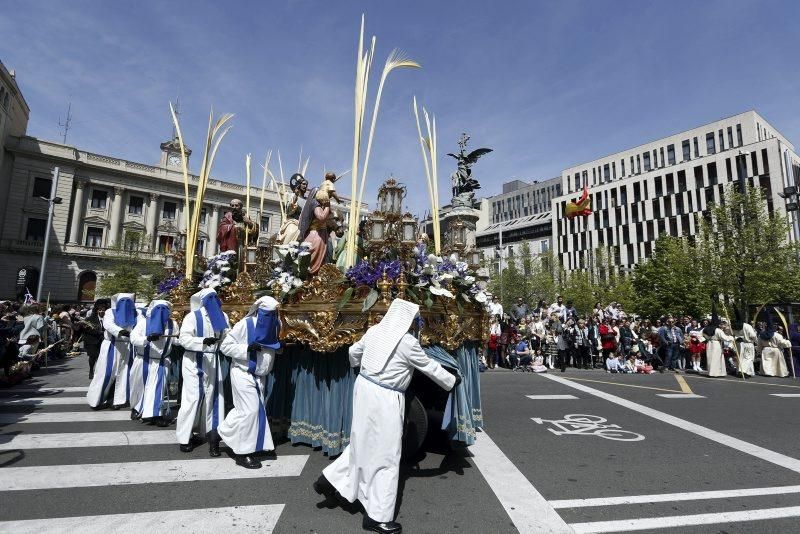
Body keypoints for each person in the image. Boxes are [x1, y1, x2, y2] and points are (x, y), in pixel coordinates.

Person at [314, 299, 457, 534]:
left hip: (364, 389)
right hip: (387, 397)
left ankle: (330, 480)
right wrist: (452, 381)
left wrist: (363, 365)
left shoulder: (374, 331)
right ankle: (377, 516)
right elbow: (429, 366)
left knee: (363, 442)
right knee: (387, 454)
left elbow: (353, 353)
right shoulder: (407, 342)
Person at [209, 296, 282, 469]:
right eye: (268, 313)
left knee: (244, 412)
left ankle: (217, 434)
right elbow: (225, 347)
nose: (271, 316)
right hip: (242, 373)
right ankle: (243, 454)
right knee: (251, 411)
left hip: (260, 376)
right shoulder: (246, 323)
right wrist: (246, 348)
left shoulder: (275, 324)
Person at [176, 288, 230, 453]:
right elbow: (184, 338)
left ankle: (211, 435)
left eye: (215, 297)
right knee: (193, 398)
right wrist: (202, 342)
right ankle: (184, 437)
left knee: (213, 399)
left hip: (213, 361)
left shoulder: (223, 316)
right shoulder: (192, 317)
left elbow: (228, 336)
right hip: (194, 361)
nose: (213, 300)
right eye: (209, 298)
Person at [131, 299, 178, 426]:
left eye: (164, 309)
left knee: (158, 389)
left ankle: (155, 414)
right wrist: (147, 339)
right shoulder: (143, 323)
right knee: (140, 386)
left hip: (162, 362)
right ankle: (137, 408)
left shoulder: (172, 324)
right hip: (144, 360)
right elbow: (133, 338)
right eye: (158, 309)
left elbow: (176, 340)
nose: (161, 312)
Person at [86, 293, 137, 409]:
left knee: (123, 375)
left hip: (127, 347)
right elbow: (108, 324)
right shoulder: (110, 312)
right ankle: (97, 399)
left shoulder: (135, 313)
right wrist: (120, 331)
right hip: (111, 346)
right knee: (106, 373)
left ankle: (117, 400)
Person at [75, 299, 108, 379]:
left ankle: (100, 371)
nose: (101, 312)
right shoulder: (90, 319)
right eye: (99, 310)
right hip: (92, 341)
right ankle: (91, 370)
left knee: (102, 357)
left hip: (103, 341)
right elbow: (81, 329)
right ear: (96, 310)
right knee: (92, 357)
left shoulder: (108, 319)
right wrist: (82, 326)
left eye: (103, 310)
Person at [702, 304, 734, 378]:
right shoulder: (717, 330)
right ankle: (716, 372)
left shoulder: (705, 329)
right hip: (716, 344)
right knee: (716, 359)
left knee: (710, 358)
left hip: (709, 344)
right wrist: (731, 337)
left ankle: (711, 372)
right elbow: (724, 338)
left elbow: (703, 336)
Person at [277, 173, 309, 245]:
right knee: (292, 230)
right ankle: (287, 247)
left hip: (305, 223)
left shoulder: (307, 200)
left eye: (306, 184)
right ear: (299, 185)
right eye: (303, 184)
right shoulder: (292, 195)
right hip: (293, 221)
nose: (305, 186)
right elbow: (288, 211)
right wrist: (295, 197)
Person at [757, 311, 791, 377]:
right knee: (777, 363)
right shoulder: (776, 335)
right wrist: (788, 342)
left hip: (765, 349)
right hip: (775, 350)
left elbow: (759, 344)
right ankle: (779, 373)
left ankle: (768, 372)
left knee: (767, 362)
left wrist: (759, 351)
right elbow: (782, 342)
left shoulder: (761, 335)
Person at [731, 308, 757, 377]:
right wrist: (754, 340)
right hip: (747, 344)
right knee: (748, 358)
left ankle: (749, 372)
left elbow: (732, 334)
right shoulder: (747, 326)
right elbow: (753, 335)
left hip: (738, 344)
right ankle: (743, 371)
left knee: (740, 357)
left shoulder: (733, 326)